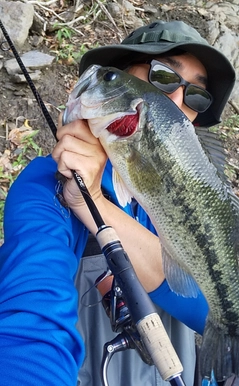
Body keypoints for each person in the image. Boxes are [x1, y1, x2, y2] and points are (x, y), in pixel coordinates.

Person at [0, 20, 235, 386]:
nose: (176, 101)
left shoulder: (192, 204)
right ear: (125, 76)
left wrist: (94, 202)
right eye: (162, 76)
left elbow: (219, 311)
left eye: (196, 97)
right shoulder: (45, 188)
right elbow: (30, 320)